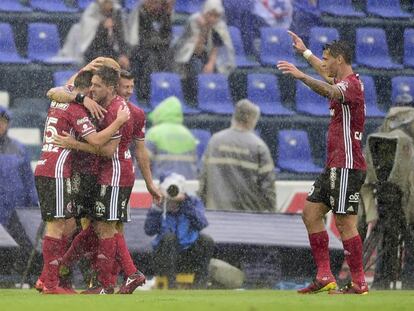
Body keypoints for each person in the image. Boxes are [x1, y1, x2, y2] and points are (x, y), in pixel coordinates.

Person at [277, 32, 368, 294]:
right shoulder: (343, 79)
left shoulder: (349, 86)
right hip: (334, 165)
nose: (324, 63)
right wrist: (305, 52)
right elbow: (327, 76)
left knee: (344, 223)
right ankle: (325, 275)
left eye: (327, 59)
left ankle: (359, 282)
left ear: (339, 60)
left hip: (347, 165)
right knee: (311, 213)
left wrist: (302, 76)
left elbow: (329, 88)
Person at [34, 70, 130, 294]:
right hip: (56, 170)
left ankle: (50, 279)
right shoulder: (77, 109)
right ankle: (50, 284)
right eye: (92, 87)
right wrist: (118, 122)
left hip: (52, 166)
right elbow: (97, 141)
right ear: (87, 90)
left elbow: (57, 90)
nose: (94, 92)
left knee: (67, 225)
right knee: (57, 225)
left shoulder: (61, 100)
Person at [198, 99, 276, 212]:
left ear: (234, 116)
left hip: (216, 215)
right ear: (251, 119)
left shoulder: (214, 141)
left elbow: (204, 179)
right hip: (247, 218)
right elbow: (268, 188)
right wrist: (272, 214)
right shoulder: (258, 146)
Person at [144, 172, 214, 288]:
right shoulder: (159, 205)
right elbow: (149, 230)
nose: (172, 193)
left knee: (206, 240)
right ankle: (172, 285)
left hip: (188, 255)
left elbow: (202, 223)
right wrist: (158, 207)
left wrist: (185, 203)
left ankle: (199, 285)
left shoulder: (191, 202)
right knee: (169, 238)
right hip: (164, 258)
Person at [173, 0, 235, 101]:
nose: (213, 19)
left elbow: (217, 47)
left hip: (209, 55)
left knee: (217, 69)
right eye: (210, 15)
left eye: (216, 16)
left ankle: (215, 99)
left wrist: (210, 64)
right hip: (191, 55)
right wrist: (204, 29)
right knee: (197, 67)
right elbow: (196, 50)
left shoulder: (219, 25)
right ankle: (201, 98)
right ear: (205, 12)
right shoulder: (194, 21)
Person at [58, 0, 129, 69]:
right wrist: (102, 27)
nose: (108, 6)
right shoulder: (91, 13)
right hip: (92, 54)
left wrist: (123, 55)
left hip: (112, 54)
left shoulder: (116, 12)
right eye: (106, 2)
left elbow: (121, 37)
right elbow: (88, 45)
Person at [127, 0, 174, 101]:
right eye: (153, 2)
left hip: (158, 48)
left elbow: (168, 37)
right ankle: (149, 93)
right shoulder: (139, 14)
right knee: (150, 58)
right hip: (140, 49)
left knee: (168, 56)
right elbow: (141, 38)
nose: (155, 6)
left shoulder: (163, 14)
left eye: (157, 3)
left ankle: (165, 91)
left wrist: (158, 43)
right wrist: (158, 42)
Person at [0, 107, 38, 227]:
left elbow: (28, 180)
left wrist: (33, 206)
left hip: (16, 214)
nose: (0, 124)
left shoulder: (19, 148)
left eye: (3, 121)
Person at [145, 96, 199, 179]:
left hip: (161, 187)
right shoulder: (189, 135)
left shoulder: (154, 133)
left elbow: (142, 164)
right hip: (186, 187)